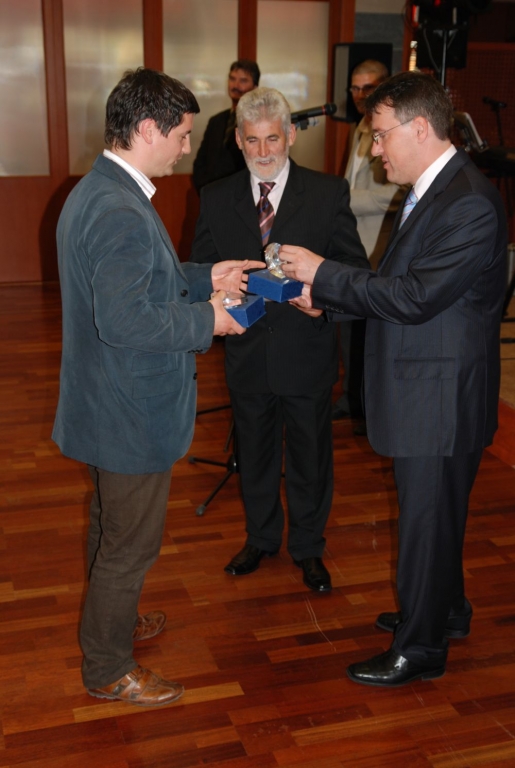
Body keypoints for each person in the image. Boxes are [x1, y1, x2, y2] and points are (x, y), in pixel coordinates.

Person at [280, 71, 507, 686]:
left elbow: (414, 297)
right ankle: (444, 610)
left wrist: (323, 273)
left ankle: (421, 648)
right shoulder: (436, 190)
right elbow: (395, 287)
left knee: (427, 521)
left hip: (440, 398)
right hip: (432, 387)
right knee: (436, 516)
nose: (374, 149)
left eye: (380, 136)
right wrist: (328, 302)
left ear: (420, 128)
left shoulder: (468, 202)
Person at [52, 67, 264, 707]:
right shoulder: (119, 208)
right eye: (182, 135)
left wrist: (205, 276)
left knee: (110, 525)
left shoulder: (101, 188)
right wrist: (210, 320)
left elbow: (142, 279)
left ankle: (112, 621)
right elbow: (125, 319)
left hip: (104, 398)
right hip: (129, 408)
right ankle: (108, 666)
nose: (186, 148)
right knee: (130, 544)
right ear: (148, 129)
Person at [190, 87, 368, 592]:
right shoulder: (216, 196)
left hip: (307, 349)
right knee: (255, 455)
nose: (264, 151)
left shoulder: (328, 192)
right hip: (247, 353)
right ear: (238, 141)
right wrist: (219, 293)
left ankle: (308, 547)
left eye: (273, 138)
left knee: (311, 457)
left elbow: (353, 269)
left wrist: (322, 301)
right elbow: (200, 267)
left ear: (291, 134)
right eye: (252, 141)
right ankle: (261, 538)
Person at [333, 59, 404, 428]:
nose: (360, 95)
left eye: (368, 88)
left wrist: (341, 199)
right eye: (355, 88)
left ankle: (370, 408)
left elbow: (395, 194)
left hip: (379, 245)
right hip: (351, 244)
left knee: (372, 334)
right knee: (348, 329)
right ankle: (352, 399)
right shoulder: (357, 128)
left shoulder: (391, 131)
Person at [192, 59, 260, 192]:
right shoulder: (215, 121)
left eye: (243, 81)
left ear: (255, 87)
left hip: (242, 195)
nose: (236, 85)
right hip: (211, 194)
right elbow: (200, 163)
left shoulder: (258, 122)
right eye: (232, 79)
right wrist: (205, 190)